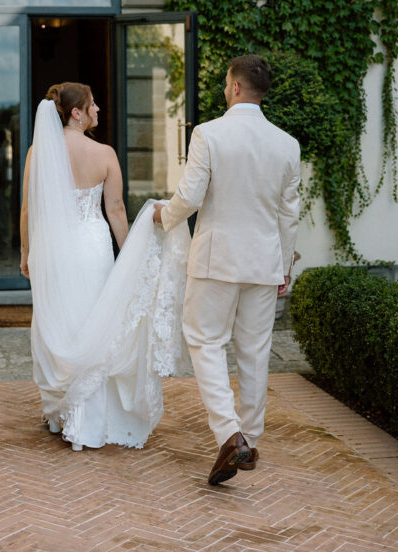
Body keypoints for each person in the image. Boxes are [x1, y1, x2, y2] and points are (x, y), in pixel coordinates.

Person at [154, 54, 300, 485]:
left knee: (204, 340)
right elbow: (287, 215)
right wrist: (284, 266)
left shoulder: (209, 133)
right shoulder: (286, 144)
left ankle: (229, 434)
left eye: (224, 83)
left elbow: (191, 195)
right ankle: (249, 439)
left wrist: (164, 216)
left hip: (217, 259)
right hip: (264, 262)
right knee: (254, 352)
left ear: (235, 87)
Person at [21, 82, 190, 451]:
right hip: (92, 246)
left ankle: (61, 412)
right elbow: (114, 211)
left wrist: (25, 252)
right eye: (93, 104)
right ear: (76, 113)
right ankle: (86, 417)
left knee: (61, 321)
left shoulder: (38, 153)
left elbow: (27, 210)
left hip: (52, 250)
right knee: (94, 323)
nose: (99, 109)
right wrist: (131, 253)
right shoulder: (105, 154)